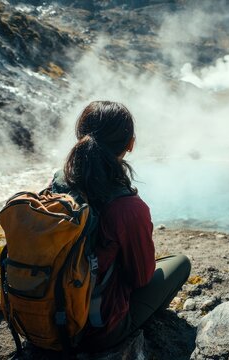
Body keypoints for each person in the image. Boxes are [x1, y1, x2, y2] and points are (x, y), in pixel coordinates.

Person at [51, 100, 191, 352]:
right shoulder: (127, 207)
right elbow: (141, 278)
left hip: (46, 313)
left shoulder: (60, 181)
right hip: (94, 329)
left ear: (79, 137)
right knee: (180, 264)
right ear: (130, 144)